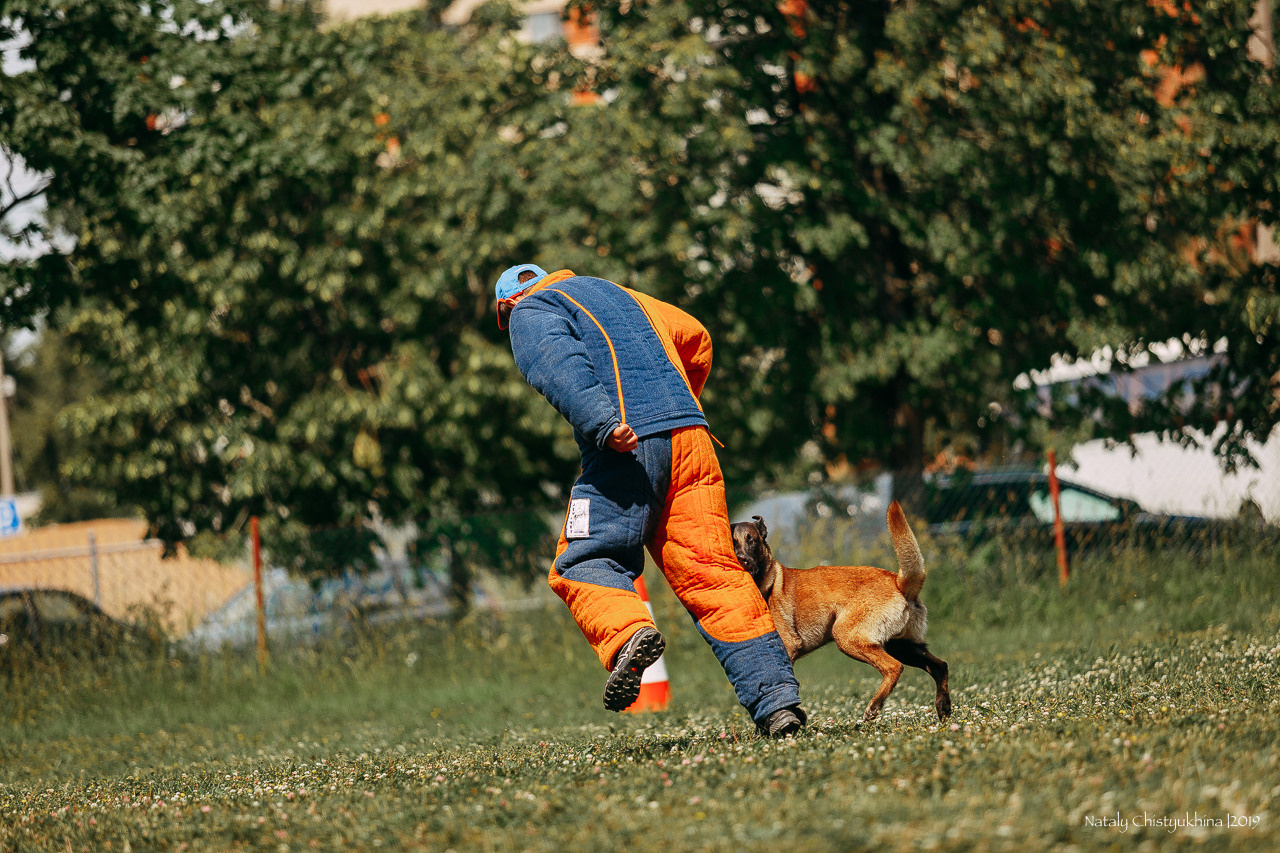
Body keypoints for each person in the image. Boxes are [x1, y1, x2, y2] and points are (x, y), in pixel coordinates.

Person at [494, 262, 807, 737]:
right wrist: (683, 406)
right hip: (692, 439)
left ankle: (627, 635)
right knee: (714, 572)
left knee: (583, 559)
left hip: (626, 444)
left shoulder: (531, 309)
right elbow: (696, 338)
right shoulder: (623, 294)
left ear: (507, 305)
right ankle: (778, 705)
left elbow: (556, 361)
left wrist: (603, 423)